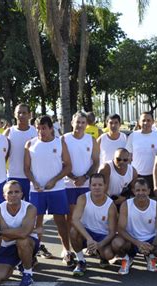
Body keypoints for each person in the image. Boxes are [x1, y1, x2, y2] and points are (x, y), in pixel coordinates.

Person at [24, 115, 71, 266]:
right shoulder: (30, 144)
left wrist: (54, 180)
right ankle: (35, 251)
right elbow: (26, 168)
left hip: (56, 189)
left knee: (60, 221)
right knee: (36, 223)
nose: (41, 131)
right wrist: (34, 181)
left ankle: (67, 250)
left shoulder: (60, 143)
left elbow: (68, 166)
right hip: (36, 191)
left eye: (44, 128)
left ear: (51, 128)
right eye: (38, 128)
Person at [112, 178, 157, 275]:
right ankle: (127, 257)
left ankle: (149, 255)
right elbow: (121, 229)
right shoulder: (126, 205)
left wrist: (151, 247)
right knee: (116, 243)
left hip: (150, 241)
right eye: (138, 190)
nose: (141, 193)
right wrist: (138, 243)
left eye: (144, 190)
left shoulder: (156, 206)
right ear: (133, 191)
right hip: (131, 240)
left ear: (148, 191)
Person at [63, 111, 100, 265]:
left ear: (87, 124)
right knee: (70, 219)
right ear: (72, 122)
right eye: (77, 122)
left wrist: (84, 177)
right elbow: (61, 162)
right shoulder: (63, 139)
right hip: (68, 185)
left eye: (82, 122)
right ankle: (68, 250)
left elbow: (96, 162)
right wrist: (73, 177)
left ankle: (89, 246)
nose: (79, 125)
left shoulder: (91, 140)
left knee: (86, 218)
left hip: (86, 185)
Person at [0, 180, 39, 286]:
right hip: (8, 245)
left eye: (16, 192)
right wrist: (21, 231)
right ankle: (19, 261)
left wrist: (0, 231)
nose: (13, 195)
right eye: (10, 192)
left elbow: (24, 233)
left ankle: (27, 273)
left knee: (22, 241)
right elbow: (6, 239)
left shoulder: (30, 208)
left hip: (28, 243)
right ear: (4, 195)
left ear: (21, 194)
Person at [70, 173, 117, 276]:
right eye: (94, 185)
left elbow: (112, 232)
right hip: (86, 233)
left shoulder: (111, 205)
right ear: (89, 186)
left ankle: (101, 254)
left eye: (100, 185)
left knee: (108, 255)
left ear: (105, 186)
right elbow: (75, 220)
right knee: (73, 231)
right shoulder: (83, 198)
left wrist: (99, 244)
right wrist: (89, 239)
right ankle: (81, 261)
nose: (97, 187)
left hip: (102, 236)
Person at [4, 104, 38, 203]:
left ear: (29, 115)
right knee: (12, 207)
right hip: (13, 176)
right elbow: (2, 153)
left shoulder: (35, 131)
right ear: (15, 114)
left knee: (30, 208)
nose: (21, 115)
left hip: (31, 177)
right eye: (19, 113)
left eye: (24, 113)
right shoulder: (9, 132)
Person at [125, 112, 157, 194]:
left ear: (153, 122)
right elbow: (128, 157)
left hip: (153, 176)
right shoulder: (133, 136)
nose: (146, 123)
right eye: (143, 120)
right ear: (139, 122)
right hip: (136, 175)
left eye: (148, 120)